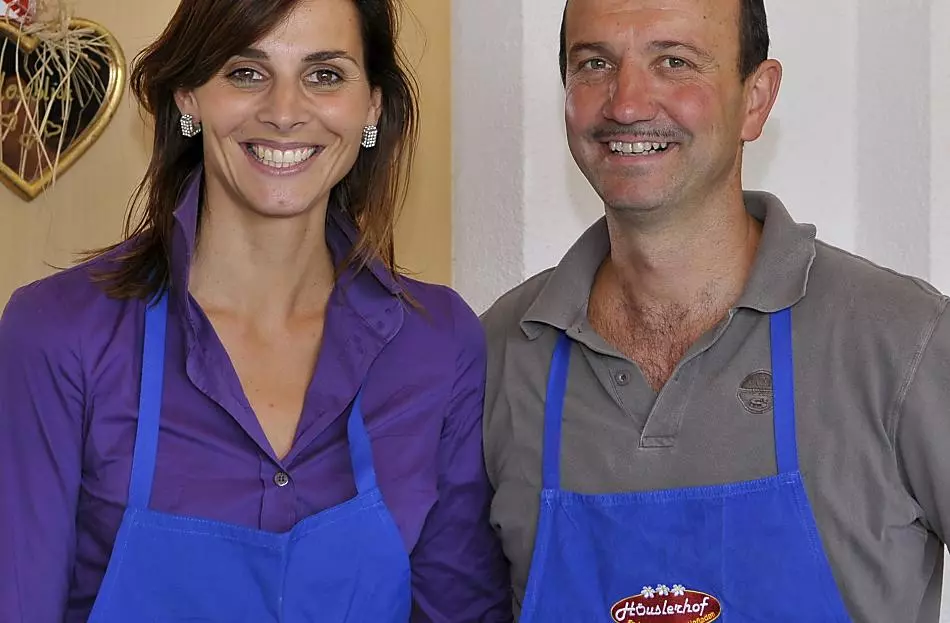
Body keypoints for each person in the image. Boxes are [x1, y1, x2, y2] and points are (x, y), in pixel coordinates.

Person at [0, 0, 511, 620]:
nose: (285, 111)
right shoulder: (58, 334)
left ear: (372, 107)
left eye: (325, 75)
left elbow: (459, 609)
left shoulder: (438, 344)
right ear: (188, 97)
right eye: (246, 72)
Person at [481, 0, 950, 621]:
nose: (626, 103)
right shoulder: (500, 352)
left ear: (756, 99)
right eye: (595, 64)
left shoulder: (905, 341)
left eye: (674, 62)